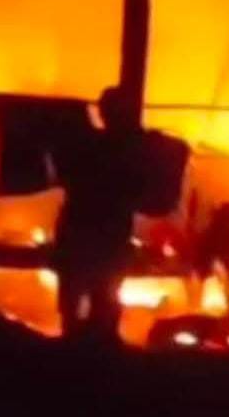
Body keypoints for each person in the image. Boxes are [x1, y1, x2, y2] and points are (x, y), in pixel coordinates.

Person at [53, 86, 141, 342]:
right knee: (100, 298)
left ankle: (76, 347)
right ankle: (98, 346)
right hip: (107, 237)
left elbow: (64, 174)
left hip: (83, 234)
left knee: (80, 299)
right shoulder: (129, 150)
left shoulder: (87, 146)